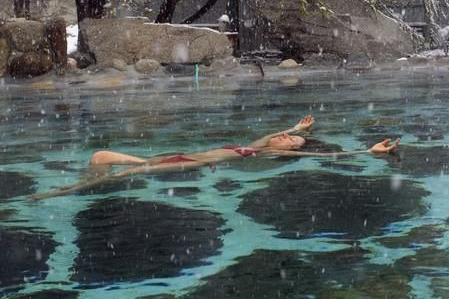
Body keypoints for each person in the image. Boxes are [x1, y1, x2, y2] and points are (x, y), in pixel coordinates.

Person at [31, 115, 399, 199]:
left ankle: (57, 194)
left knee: (114, 174)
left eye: (290, 140)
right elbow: (275, 135)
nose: (283, 137)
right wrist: (298, 129)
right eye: (284, 135)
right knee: (100, 156)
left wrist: (367, 152)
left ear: (290, 153)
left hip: (191, 164)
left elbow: (323, 157)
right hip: (180, 155)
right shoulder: (261, 143)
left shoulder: (268, 155)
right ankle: (78, 187)